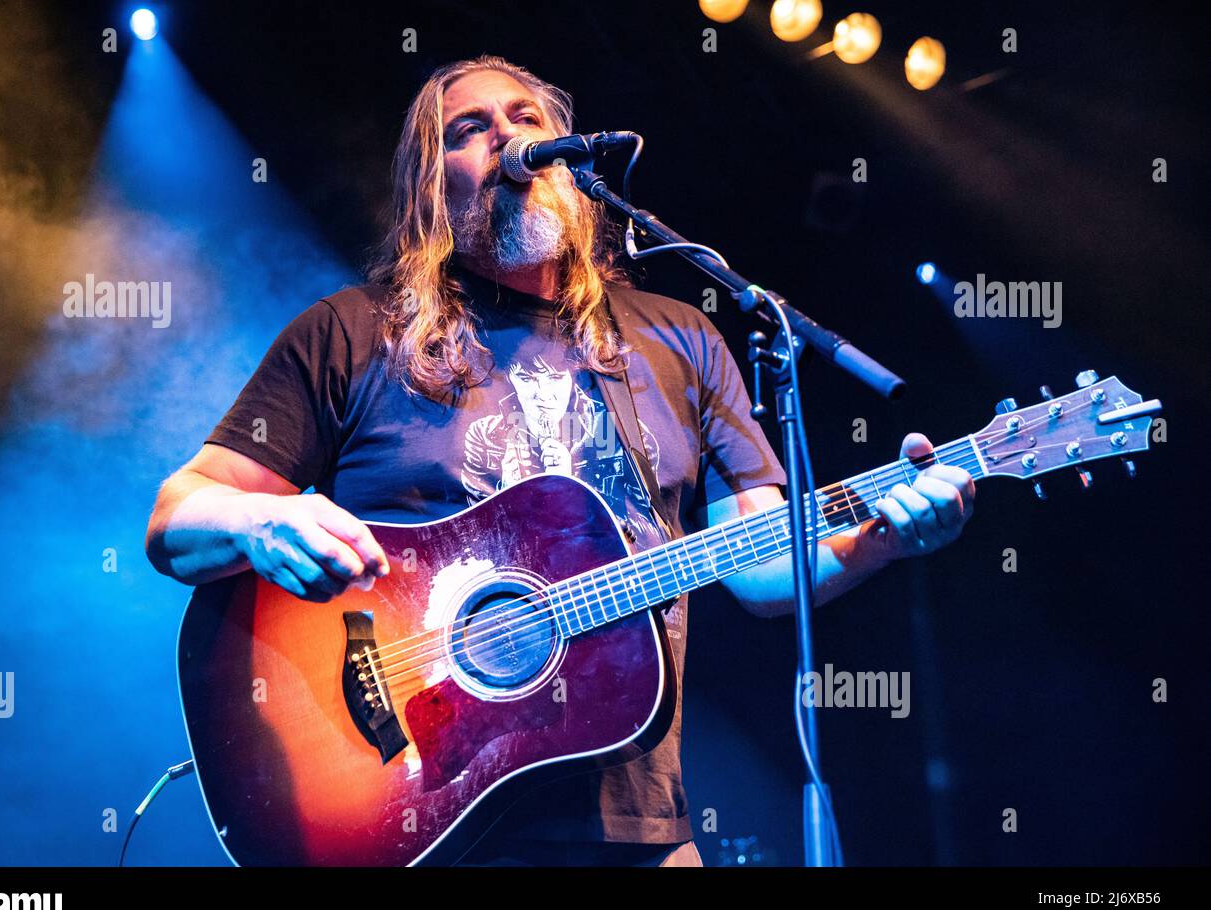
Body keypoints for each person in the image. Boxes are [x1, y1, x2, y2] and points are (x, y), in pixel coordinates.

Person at [144, 55, 975, 867]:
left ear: (572, 163)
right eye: (470, 131)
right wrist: (260, 519)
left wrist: (886, 537)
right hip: (416, 813)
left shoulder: (680, 335)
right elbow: (177, 519)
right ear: (430, 188)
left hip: (638, 824)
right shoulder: (353, 333)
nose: (507, 140)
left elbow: (762, 571)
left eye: (526, 120)